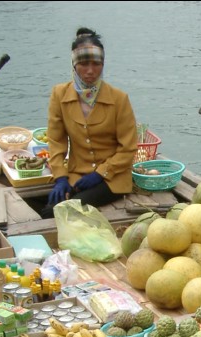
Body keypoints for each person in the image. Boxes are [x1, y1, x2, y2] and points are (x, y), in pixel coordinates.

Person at [43, 27, 138, 217]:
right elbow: (56, 142)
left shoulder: (119, 99)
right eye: (84, 64)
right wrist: (61, 177)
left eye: (96, 64)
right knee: (50, 206)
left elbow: (128, 149)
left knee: (59, 212)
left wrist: (100, 173)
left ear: (103, 64)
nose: (90, 71)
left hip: (113, 179)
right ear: (74, 64)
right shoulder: (59, 95)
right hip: (77, 176)